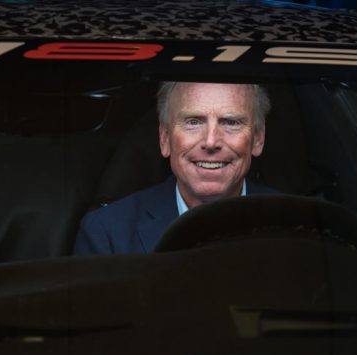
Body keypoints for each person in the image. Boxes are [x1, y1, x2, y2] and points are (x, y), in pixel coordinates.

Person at [74, 81, 274, 255]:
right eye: (193, 122)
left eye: (230, 122)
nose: (211, 141)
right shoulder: (107, 233)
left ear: (258, 139)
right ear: (165, 139)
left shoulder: (298, 224)